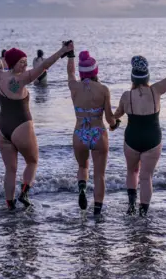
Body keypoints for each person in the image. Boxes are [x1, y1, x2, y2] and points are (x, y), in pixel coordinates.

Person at [0, 41, 74, 210]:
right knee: (33, 161)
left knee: (10, 170)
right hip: (21, 126)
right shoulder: (22, 79)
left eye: (26, 62)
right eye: (22, 62)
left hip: (2, 129)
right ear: (13, 62)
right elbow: (45, 65)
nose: (25, 65)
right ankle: (24, 194)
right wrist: (63, 51)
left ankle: (10, 204)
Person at [113, 41, 166, 217]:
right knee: (146, 177)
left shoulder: (127, 96)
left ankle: (131, 205)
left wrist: (111, 120)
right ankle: (143, 212)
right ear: (147, 75)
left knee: (131, 171)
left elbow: (117, 115)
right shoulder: (156, 90)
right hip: (152, 140)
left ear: (132, 76)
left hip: (132, 140)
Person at [67, 49, 119, 217]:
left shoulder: (74, 87)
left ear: (82, 73)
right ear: (95, 71)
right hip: (98, 133)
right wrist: (114, 124)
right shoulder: (103, 90)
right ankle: (97, 212)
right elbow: (110, 118)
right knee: (99, 174)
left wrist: (70, 55)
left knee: (83, 166)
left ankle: (82, 187)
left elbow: (70, 71)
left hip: (80, 132)